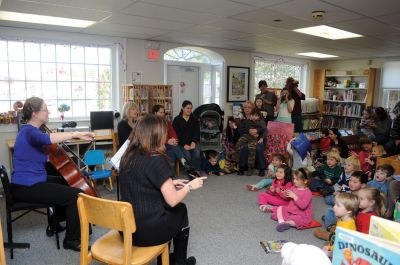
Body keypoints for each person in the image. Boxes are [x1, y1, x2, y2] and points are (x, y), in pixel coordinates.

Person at [119, 114, 207, 265]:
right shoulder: (157, 159)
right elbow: (172, 200)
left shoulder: (127, 156)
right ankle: (178, 261)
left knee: (171, 209)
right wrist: (189, 186)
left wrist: (169, 182)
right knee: (180, 209)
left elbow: (142, 181)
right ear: (157, 135)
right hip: (147, 232)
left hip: (127, 228)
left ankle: (166, 258)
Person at [10, 96, 95, 251]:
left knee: (64, 182)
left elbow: (45, 139)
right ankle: (71, 240)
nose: (48, 112)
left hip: (31, 181)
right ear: (35, 113)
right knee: (75, 195)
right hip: (26, 186)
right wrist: (74, 133)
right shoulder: (29, 131)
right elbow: (47, 138)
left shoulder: (29, 131)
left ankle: (56, 224)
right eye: (45, 109)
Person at [152, 104, 192, 173]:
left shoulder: (167, 122)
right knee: (173, 147)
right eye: (160, 112)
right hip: (156, 145)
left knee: (172, 151)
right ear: (155, 113)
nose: (163, 114)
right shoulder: (151, 124)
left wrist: (174, 140)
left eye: (163, 112)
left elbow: (173, 133)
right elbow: (154, 138)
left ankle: (170, 174)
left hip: (168, 145)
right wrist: (167, 141)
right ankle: (183, 160)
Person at [322, 192, 359, 258]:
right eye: (335, 204)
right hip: (336, 244)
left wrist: (329, 253)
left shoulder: (348, 228)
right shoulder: (342, 219)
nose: (334, 207)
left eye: (338, 205)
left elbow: (344, 250)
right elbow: (337, 237)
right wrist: (329, 246)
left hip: (341, 252)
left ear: (349, 210)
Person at [173, 100, 201, 171]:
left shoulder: (195, 119)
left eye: (191, 108)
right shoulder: (177, 120)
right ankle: (191, 171)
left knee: (197, 154)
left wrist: (194, 142)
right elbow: (176, 134)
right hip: (182, 143)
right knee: (187, 156)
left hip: (192, 142)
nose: (189, 110)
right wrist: (184, 144)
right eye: (187, 108)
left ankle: (194, 172)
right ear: (182, 108)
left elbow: (197, 132)